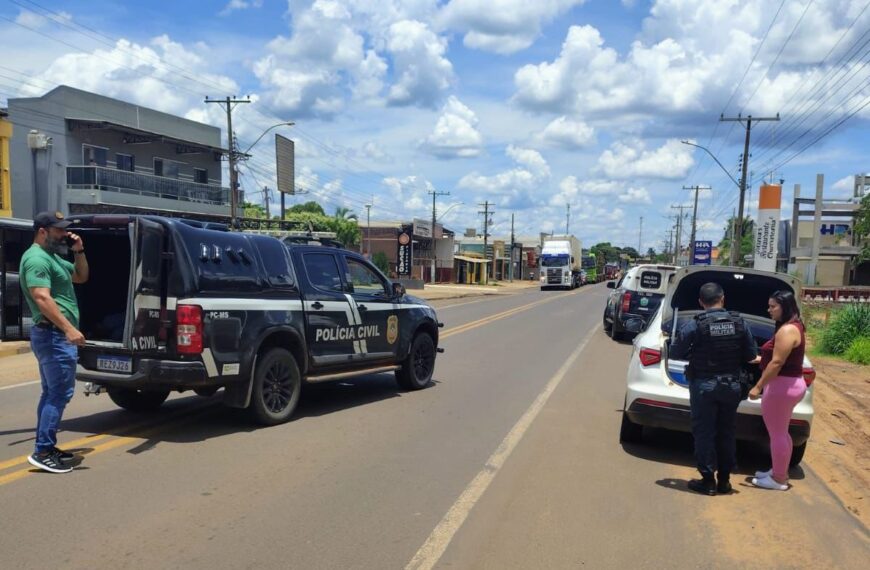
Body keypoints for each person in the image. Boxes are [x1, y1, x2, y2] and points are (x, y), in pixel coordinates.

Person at [670, 282, 758, 495]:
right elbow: (750, 355)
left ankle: (708, 481)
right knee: (727, 432)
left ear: (701, 302)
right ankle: (725, 481)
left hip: (704, 386)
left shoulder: (695, 324)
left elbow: (677, 351)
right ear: (723, 298)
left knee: (704, 432)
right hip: (731, 386)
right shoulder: (739, 322)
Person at [19, 211, 88, 474]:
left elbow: (81, 277)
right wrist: (69, 328)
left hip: (54, 336)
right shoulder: (37, 259)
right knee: (59, 393)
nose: (63, 234)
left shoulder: (53, 257)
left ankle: (46, 445)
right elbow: (41, 298)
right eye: (58, 230)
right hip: (53, 336)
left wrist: (79, 251)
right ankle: (43, 451)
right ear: (42, 231)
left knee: (52, 392)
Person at [749, 290, 807, 491]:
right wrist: (759, 359)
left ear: (785, 306)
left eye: (773, 306)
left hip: (782, 386)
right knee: (782, 432)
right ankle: (778, 472)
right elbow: (779, 358)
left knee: (777, 434)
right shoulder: (794, 326)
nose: (769, 310)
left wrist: (758, 387)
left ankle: (779, 479)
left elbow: (777, 362)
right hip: (790, 385)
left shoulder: (787, 330)